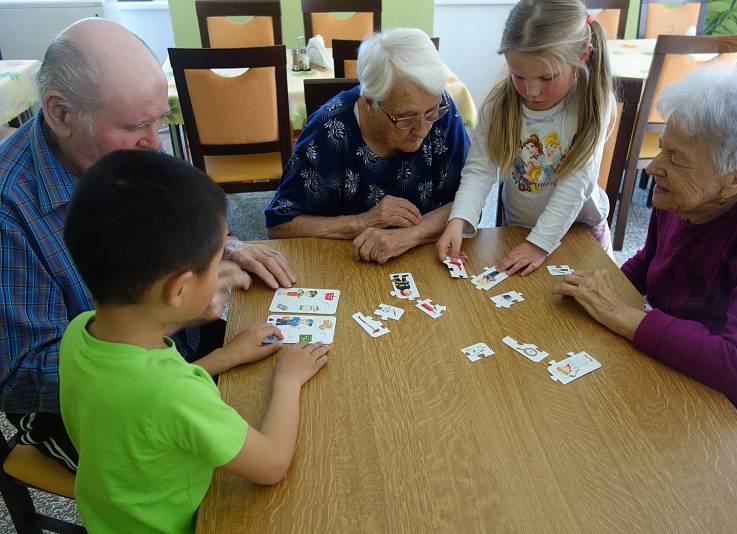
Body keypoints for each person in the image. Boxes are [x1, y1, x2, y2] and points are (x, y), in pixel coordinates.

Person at [0, 18, 294, 472]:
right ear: (60, 113)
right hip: (86, 409)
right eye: (137, 124)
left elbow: (191, 212)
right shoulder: (9, 210)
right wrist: (161, 322)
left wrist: (229, 246)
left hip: (174, 354)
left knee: (284, 371)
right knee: (232, 484)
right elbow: (20, 380)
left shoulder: (130, 148)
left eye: (159, 121)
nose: (155, 143)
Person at [60, 149, 330, 533]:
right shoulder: (175, 393)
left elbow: (135, 401)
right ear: (180, 289)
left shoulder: (81, 331)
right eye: (219, 259)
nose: (226, 268)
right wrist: (287, 379)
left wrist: (224, 356)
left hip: (110, 517)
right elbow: (271, 465)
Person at [552, 67, 737, 452]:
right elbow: (652, 263)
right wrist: (593, 291)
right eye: (662, 147)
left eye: (675, 157)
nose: (653, 167)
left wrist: (628, 317)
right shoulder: (685, 195)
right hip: (682, 360)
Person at [436, 0, 614, 274]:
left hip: (580, 232)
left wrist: (540, 244)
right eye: (518, 75)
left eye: (546, 78)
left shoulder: (592, 106)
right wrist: (459, 219)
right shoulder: (500, 103)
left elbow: (576, 184)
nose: (531, 91)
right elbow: (480, 168)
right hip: (518, 229)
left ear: (582, 56)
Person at [266, 27, 470, 264]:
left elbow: (468, 200)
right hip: (344, 265)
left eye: (430, 112)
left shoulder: (442, 113)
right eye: (405, 118)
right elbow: (279, 225)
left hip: (429, 258)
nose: (423, 129)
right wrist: (362, 222)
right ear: (370, 101)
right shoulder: (329, 130)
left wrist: (408, 236)